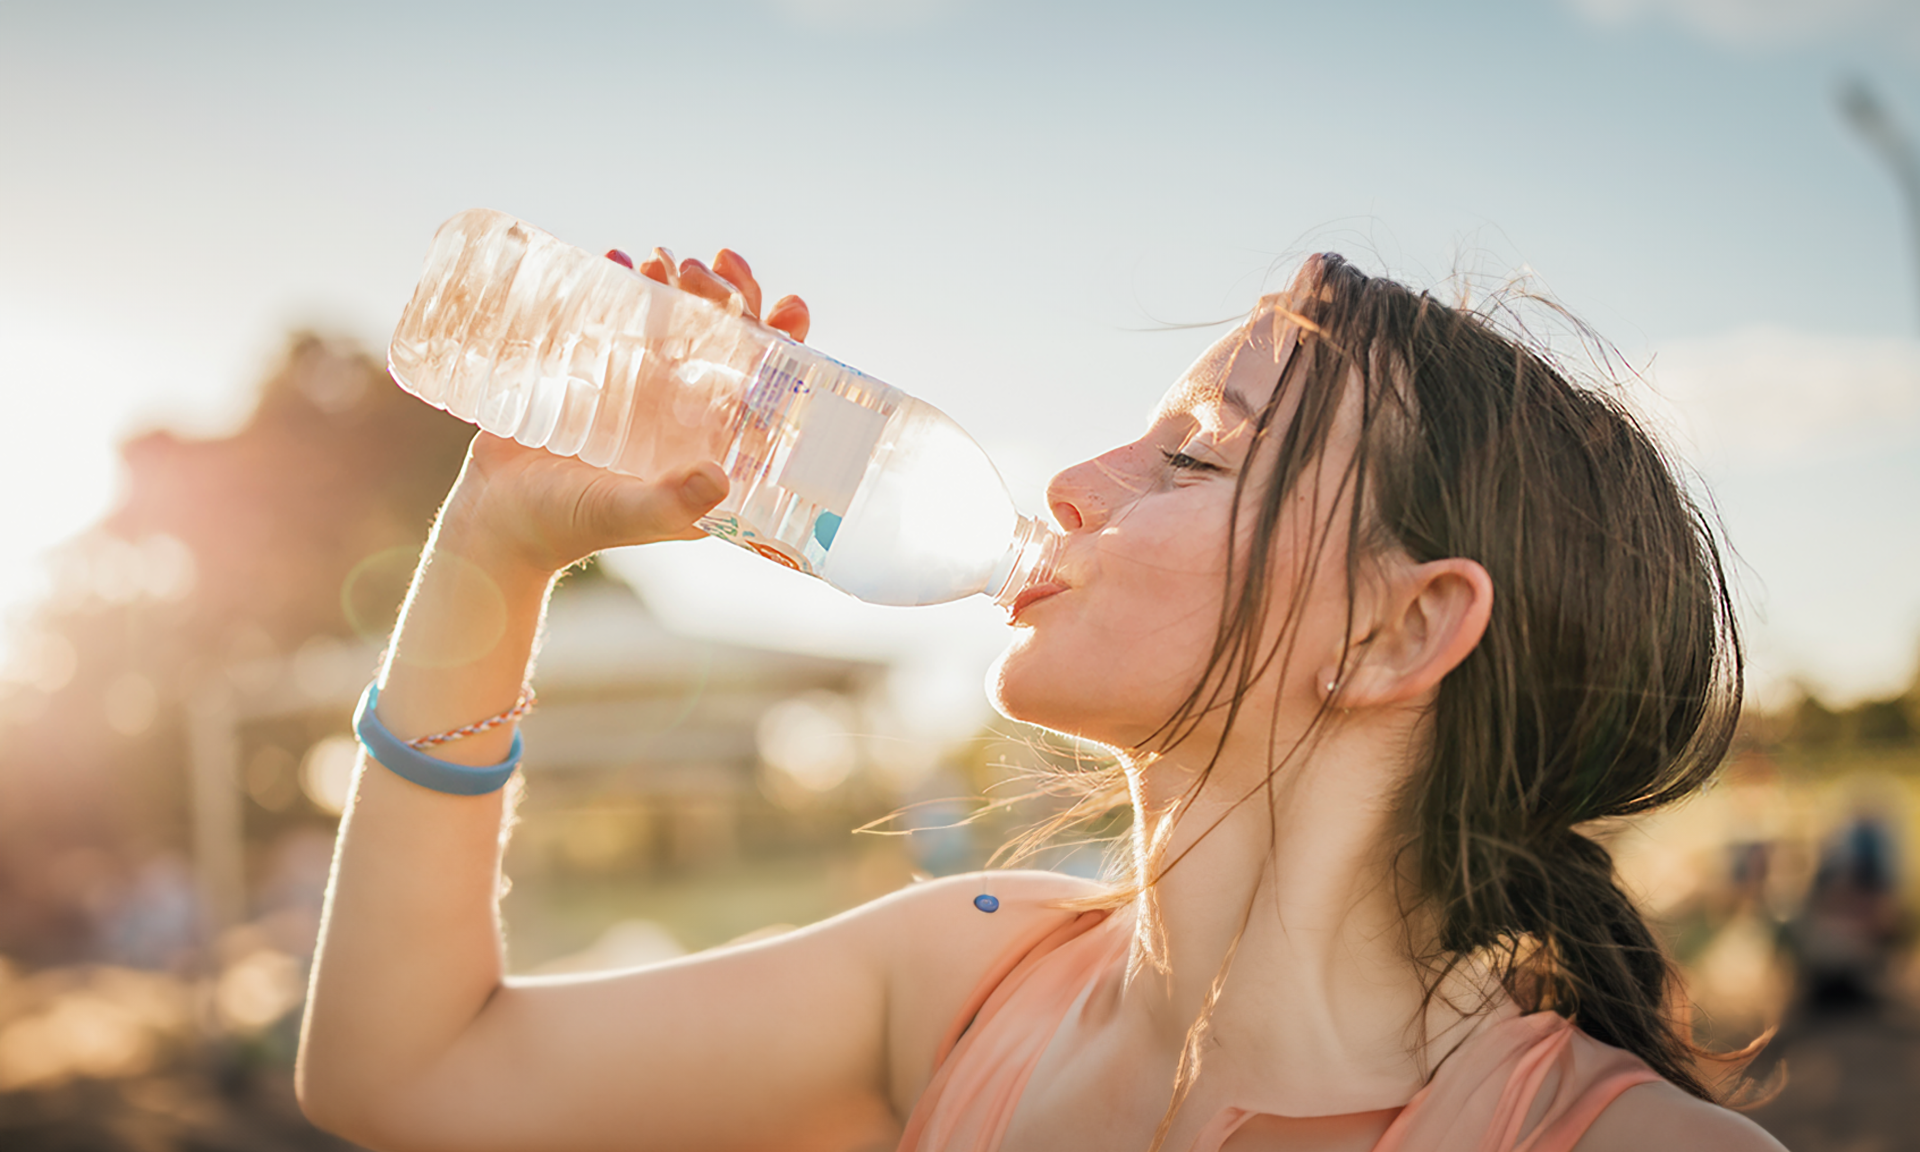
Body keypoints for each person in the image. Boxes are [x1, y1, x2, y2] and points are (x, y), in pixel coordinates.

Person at [296, 248, 1787, 1152]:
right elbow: (400, 1074)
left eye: (1196, 456)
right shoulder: (966, 988)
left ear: (1402, 630)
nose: (1072, 486)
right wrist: (495, 553)